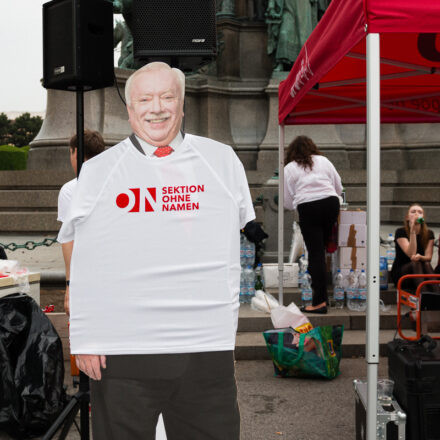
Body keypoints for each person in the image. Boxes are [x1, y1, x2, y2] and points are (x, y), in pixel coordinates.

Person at [57, 62, 255, 440]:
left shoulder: (222, 161)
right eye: (145, 99)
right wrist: (85, 337)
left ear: (182, 106)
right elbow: (85, 256)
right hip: (123, 348)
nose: (157, 108)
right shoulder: (98, 172)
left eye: (167, 97)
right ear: (129, 110)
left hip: (203, 346)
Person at [283, 135, 342, 314]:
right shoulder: (324, 160)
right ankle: (324, 292)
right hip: (331, 202)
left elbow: (286, 200)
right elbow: (338, 186)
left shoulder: (289, 168)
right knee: (321, 250)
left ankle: (320, 301)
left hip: (308, 206)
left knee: (316, 254)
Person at [57, 130, 106, 316]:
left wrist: (70, 286)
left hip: (87, 271)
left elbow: (69, 240)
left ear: (75, 152)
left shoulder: (71, 190)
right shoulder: (117, 181)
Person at [390, 204, 439, 307]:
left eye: (419, 212)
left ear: (423, 218)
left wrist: (420, 257)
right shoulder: (401, 232)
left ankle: (436, 295)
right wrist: (412, 231)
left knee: (425, 263)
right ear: (407, 217)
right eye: (413, 211)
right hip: (403, 274)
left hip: (421, 272)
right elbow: (410, 254)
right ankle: (425, 300)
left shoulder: (429, 233)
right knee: (415, 263)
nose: (416, 214)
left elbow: (428, 257)